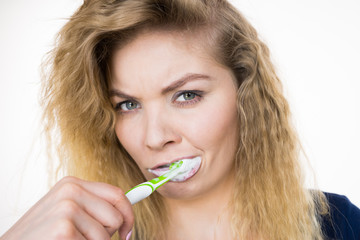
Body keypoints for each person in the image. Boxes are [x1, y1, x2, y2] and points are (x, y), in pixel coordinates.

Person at [1, 0, 359, 239]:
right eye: (127, 105)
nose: (155, 138)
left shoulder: (340, 226)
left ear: (246, 96)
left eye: (186, 95)